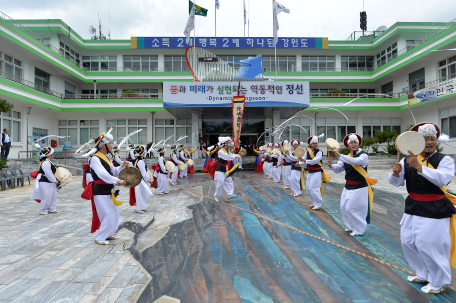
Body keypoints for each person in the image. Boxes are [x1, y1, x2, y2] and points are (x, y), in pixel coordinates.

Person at [389, 123, 456, 294]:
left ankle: (439, 281)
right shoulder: (406, 159)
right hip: (412, 206)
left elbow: (443, 179)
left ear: (436, 141)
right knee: (408, 242)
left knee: (430, 245)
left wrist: (419, 167)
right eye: (425, 139)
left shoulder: (444, 160)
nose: (429, 142)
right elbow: (396, 183)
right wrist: (395, 173)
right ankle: (423, 273)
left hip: (435, 208)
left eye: (432, 138)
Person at [81, 131, 128, 245]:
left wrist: (122, 166)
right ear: (103, 145)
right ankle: (100, 237)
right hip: (100, 190)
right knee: (108, 213)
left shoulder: (105, 157)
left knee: (114, 213)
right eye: (110, 143)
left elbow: (113, 171)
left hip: (108, 189)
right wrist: (117, 180)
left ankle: (109, 233)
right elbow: (102, 174)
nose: (112, 146)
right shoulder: (95, 158)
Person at [327, 133, 376, 237]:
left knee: (352, 208)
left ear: (358, 144)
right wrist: (331, 166)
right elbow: (338, 169)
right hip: (348, 186)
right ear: (348, 145)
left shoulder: (363, 156)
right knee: (343, 207)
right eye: (351, 142)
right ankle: (351, 226)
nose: (353, 144)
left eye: (355, 142)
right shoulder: (346, 157)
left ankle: (359, 230)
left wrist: (339, 155)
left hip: (359, 187)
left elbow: (355, 161)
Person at [302, 136, 331, 210]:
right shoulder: (307, 152)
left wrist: (304, 161)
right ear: (310, 144)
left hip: (317, 172)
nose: (315, 144)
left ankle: (318, 204)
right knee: (308, 188)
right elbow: (303, 161)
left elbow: (315, 161)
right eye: (313, 143)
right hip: (310, 172)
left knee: (314, 188)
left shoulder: (319, 152)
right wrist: (299, 163)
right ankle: (314, 203)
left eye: (316, 143)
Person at [30, 147, 59, 215]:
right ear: (49, 155)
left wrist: (55, 166)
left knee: (53, 195)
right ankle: (41, 210)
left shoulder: (48, 162)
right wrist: (55, 180)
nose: (52, 156)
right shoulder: (45, 162)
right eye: (51, 154)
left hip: (50, 182)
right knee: (47, 196)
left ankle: (51, 209)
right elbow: (48, 173)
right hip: (45, 181)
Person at [214, 137, 240, 202]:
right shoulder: (220, 152)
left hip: (225, 169)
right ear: (225, 145)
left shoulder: (227, 151)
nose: (230, 146)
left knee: (229, 180)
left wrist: (238, 154)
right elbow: (227, 157)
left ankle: (229, 194)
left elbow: (231, 154)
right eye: (228, 145)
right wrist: (235, 156)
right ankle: (216, 196)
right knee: (220, 182)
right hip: (219, 170)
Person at [129, 145, 153, 214]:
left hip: (138, 179)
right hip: (141, 180)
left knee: (141, 193)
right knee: (141, 194)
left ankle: (142, 207)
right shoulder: (141, 162)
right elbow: (143, 172)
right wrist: (148, 179)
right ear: (142, 154)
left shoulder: (136, 160)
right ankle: (139, 208)